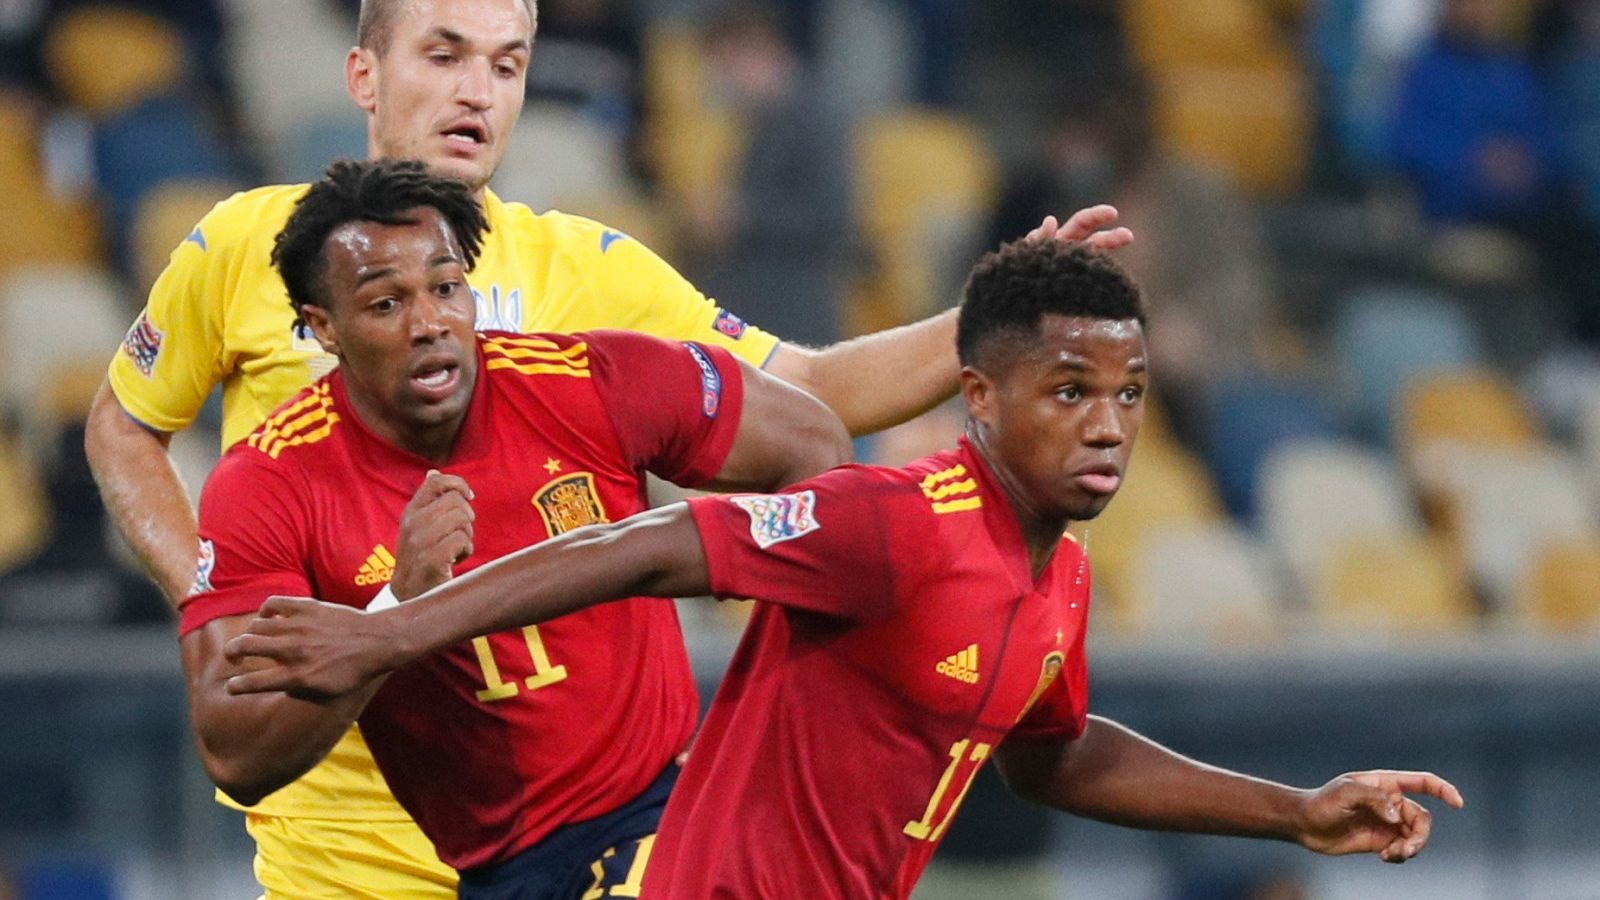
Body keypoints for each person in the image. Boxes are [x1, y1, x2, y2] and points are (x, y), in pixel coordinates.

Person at [81, 0, 1132, 894]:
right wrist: (214, 609)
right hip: (342, 839)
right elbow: (124, 424)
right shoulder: (241, 249)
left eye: (506, 64)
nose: (477, 92)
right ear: (364, 72)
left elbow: (804, 392)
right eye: (442, 53)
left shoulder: (588, 268)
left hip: (595, 830)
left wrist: (1001, 315)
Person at [225, 237, 1466, 897]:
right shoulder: (893, 522)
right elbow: (654, 544)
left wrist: (1293, 813)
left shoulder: (1059, 574)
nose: (1106, 423)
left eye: (1129, 395)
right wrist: (394, 632)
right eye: (1069, 391)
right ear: (977, 397)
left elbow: (1052, 751)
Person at [179, 158, 853, 897]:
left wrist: (774, 704)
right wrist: (393, 606)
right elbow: (235, 752)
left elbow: (814, 448)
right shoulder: (267, 482)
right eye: (384, 305)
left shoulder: (591, 382)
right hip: (496, 872)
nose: (430, 323)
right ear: (323, 329)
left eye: (446, 287)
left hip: (662, 813)